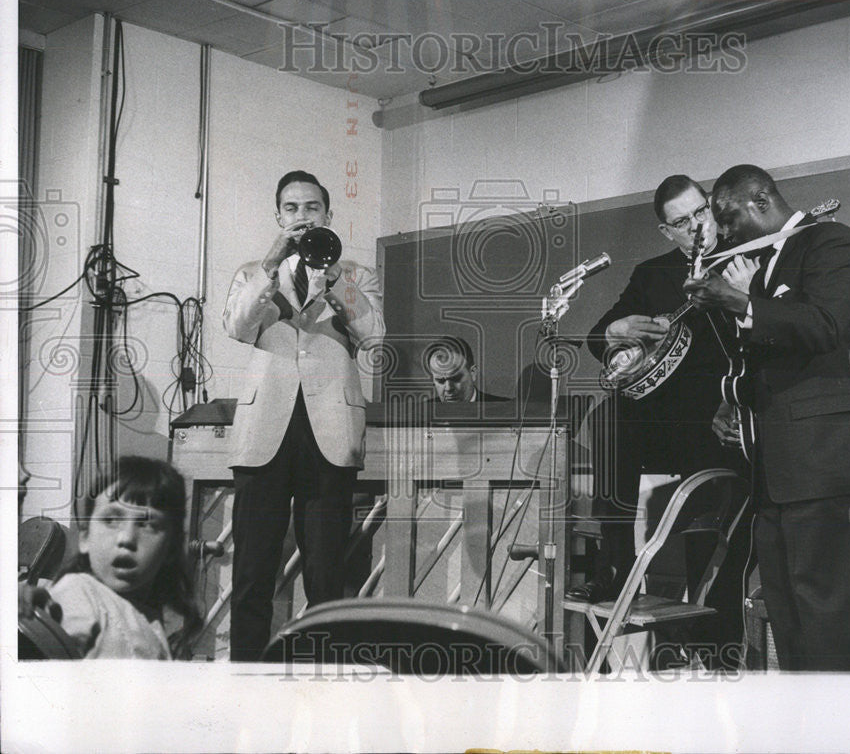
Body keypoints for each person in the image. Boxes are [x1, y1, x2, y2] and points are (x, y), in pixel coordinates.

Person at [684, 164, 850, 672]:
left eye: (728, 221)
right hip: (776, 476)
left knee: (827, 625)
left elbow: (824, 326)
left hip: (826, 468)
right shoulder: (763, 266)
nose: (725, 235)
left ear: (760, 201)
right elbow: (778, 362)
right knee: (788, 624)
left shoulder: (831, 243)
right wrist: (734, 404)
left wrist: (739, 300)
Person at [223, 170, 385, 661]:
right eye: (291, 209)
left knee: (326, 572)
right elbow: (237, 325)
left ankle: (324, 680)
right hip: (264, 432)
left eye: (311, 208)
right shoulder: (253, 272)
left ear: (328, 216)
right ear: (278, 217)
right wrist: (271, 265)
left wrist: (335, 278)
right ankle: (247, 674)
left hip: (330, 432)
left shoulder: (357, 274)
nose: (301, 217)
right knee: (252, 568)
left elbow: (376, 336)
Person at [569, 174, 745, 616]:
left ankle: (707, 619)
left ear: (712, 207)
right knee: (609, 416)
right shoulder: (653, 274)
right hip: (663, 418)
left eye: (700, 212)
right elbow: (597, 336)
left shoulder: (745, 257)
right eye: (682, 222)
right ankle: (615, 567)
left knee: (708, 498)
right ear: (667, 231)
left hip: (722, 415)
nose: (696, 227)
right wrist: (616, 329)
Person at [19, 456, 202, 659]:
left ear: (172, 547)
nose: (127, 538)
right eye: (111, 519)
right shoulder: (80, 592)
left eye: (147, 525)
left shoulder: (148, 617)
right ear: (85, 537)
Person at [423, 336, 505, 402]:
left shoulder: (504, 410)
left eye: (455, 378)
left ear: (473, 373)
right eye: (440, 380)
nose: (448, 388)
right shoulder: (420, 414)